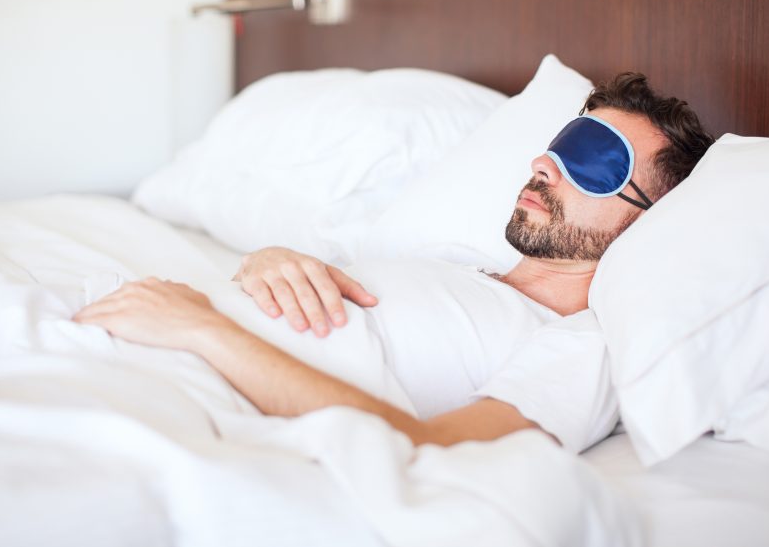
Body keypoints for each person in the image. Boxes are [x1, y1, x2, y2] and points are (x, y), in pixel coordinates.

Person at [74, 73, 715, 453]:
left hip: (184, 394)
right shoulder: (450, 264)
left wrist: (205, 331)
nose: (543, 165)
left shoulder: (586, 344)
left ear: (652, 220)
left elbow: (435, 450)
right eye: (557, 148)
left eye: (594, 162)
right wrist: (263, 261)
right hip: (129, 338)